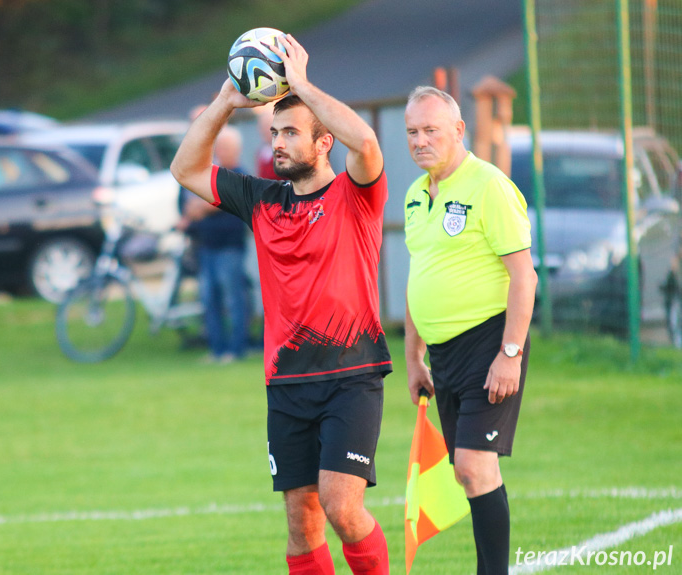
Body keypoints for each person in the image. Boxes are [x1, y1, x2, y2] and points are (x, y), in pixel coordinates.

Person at [171, 34, 392, 575]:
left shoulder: (355, 196)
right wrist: (226, 100)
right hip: (286, 383)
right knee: (301, 521)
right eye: (275, 133)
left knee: (342, 507)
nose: (279, 143)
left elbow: (364, 143)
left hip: (351, 375)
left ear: (322, 143)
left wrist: (304, 86)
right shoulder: (261, 200)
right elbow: (186, 170)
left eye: (291, 133)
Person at [401, 86, 537, 575]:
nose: (420, 141)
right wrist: (414, 356)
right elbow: (422, 277)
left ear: (459, 130)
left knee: (475, 466)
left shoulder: (489, 185)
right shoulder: (416, 195)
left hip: (488, 342)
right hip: (441, 354)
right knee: (468, 472)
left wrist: (511, 352)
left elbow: (525, 275)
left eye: (431, 130)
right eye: (412, 132)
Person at [178, 125, 250, 363]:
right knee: (209, 299)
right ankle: (217, 348)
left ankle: (236, 349)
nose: (222, 151)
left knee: (233, 298)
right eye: (220, 147)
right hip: (206, 246)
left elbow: (222, 199)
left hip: (230, 246)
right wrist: (197, 209)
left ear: (236, 150)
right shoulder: (211, 175)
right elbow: (193, 201)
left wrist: (203, 208)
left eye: (226, 147)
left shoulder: (241, 175)